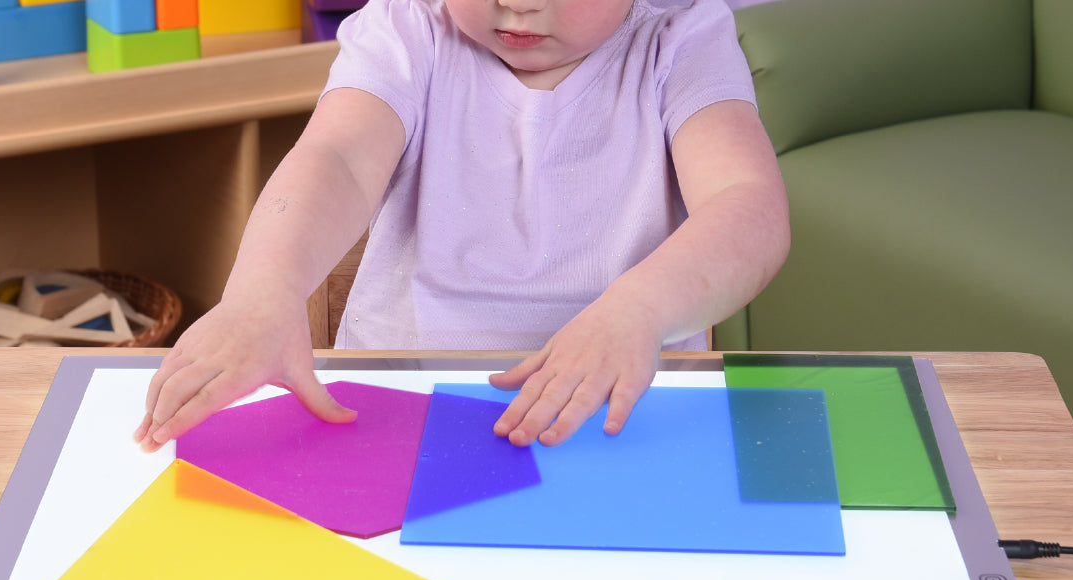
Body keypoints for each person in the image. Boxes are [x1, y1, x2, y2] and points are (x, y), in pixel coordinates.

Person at [135, 0, 788, 451]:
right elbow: (335, 160)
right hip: (404, 407)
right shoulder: (406, 28)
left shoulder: (681, 37)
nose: (519, 3)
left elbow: (747, 205)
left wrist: (639, 311)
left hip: (625, 415)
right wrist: (261, 293)